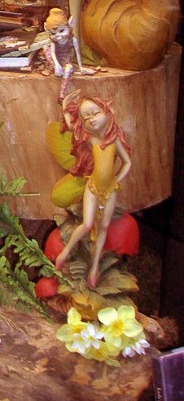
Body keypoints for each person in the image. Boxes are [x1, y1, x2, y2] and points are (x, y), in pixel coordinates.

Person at [54, 91, 132, 289]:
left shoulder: (114, 140)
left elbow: (127, 163)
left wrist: (117, 179)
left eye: (95, 113)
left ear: (107, 111)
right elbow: (73, 127)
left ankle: (94, 267)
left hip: (110, 190)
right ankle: (65, 252)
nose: (92, 119)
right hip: (92, 186)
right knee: (87, 224)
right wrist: (65, 107)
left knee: (104, 226)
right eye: (86, 117)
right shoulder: (91, 140)